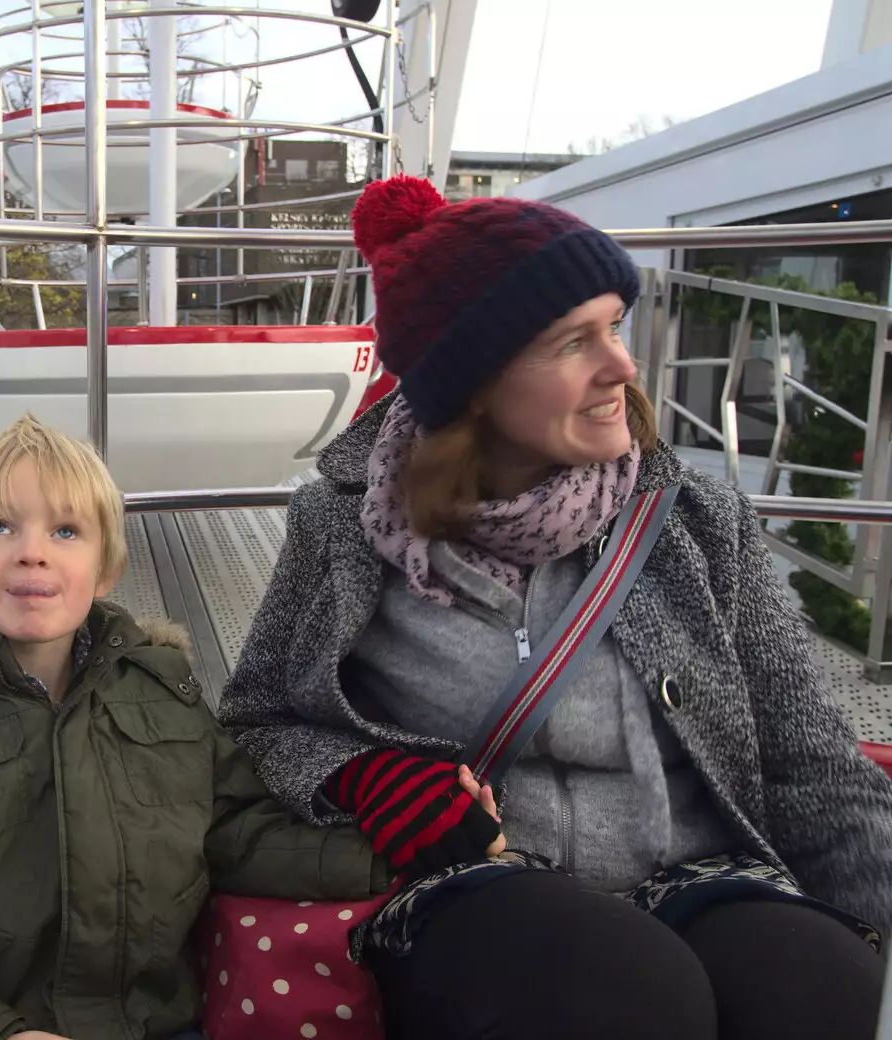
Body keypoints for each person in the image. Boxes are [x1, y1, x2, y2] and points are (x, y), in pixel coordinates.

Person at [218, 174, 892, 1040]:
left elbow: (810, 758)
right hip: (478, 888)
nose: (624, 365)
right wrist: (361, 775)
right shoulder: (345, 525)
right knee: (623, 994)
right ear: (472, 384)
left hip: (697, 867)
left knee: (820, 985)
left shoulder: (695, 520)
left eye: (613, 325)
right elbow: (260, 717)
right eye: (574, 342)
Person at [0, 415, 391, 1040]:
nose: (32, 550)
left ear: (106, 570)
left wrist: (398, 855)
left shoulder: (161, 694)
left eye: (66, 530)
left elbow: (236, 835)